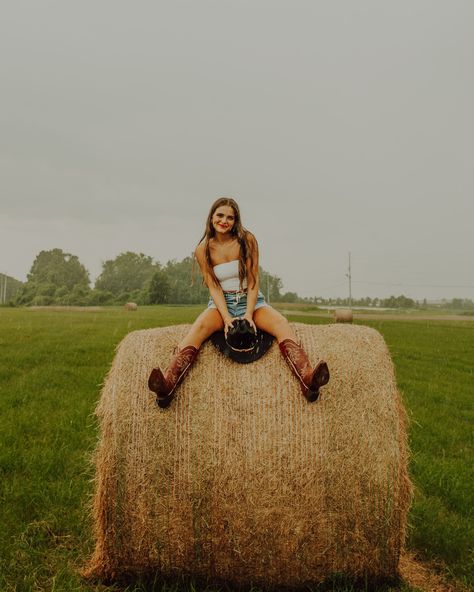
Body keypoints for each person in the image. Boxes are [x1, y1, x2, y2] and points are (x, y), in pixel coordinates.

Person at [148, 197, 329, 408]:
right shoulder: (203, 249)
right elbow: (214, 286)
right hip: (221, 303)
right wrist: (226, 318)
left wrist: (248, 314)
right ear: (212, 217)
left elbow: (253, 280)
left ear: (236, 221)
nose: (224, 221)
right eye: (220, 215)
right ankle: (167, 387)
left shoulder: (247, 240)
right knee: (196, 331)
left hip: (250, 299)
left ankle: (308, 381)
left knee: (281, 324)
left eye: (230, 217)